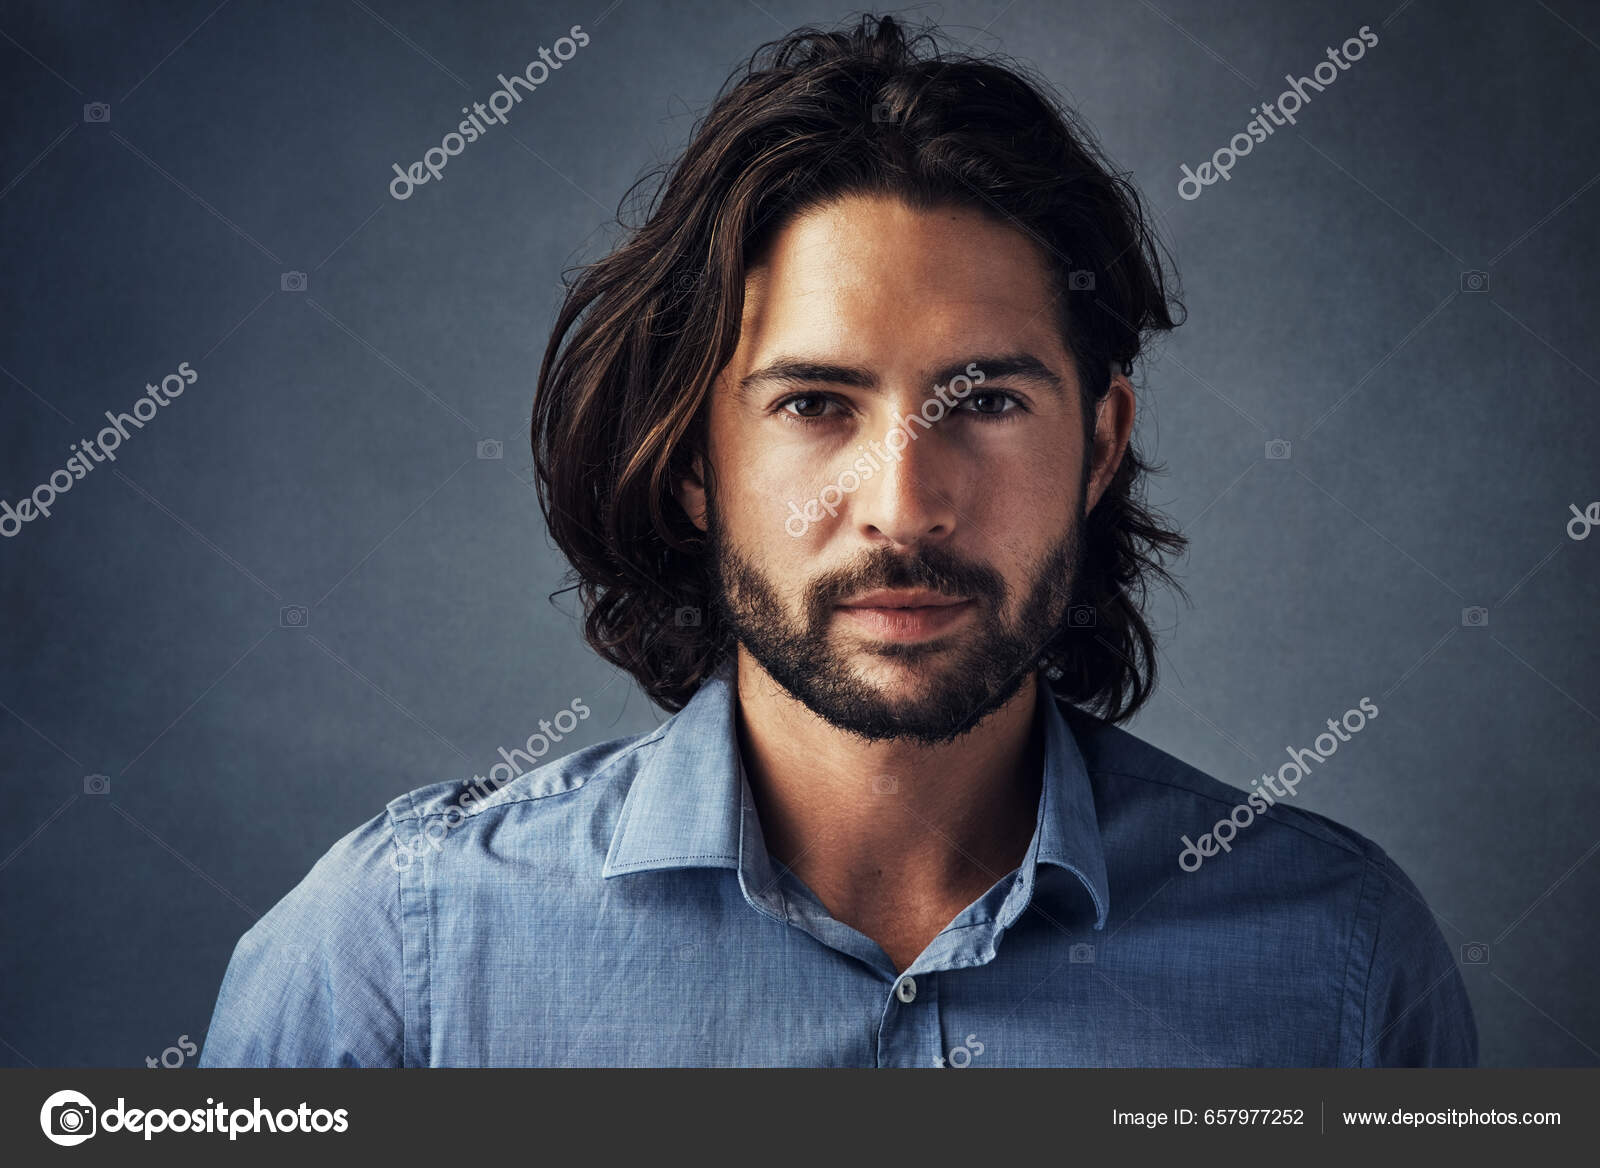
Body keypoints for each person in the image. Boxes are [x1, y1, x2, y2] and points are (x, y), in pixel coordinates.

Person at [200, 13, 1475, 1067]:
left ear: (1097, 444)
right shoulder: (399, 954)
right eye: (814, 404)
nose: (903, 503)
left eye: (984, 402)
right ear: (696, 460)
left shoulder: (1339, 961)